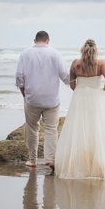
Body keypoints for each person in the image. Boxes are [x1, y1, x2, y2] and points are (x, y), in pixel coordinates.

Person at [55, 39, 105, 179]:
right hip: (96, 97)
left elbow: (71, 85)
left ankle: (78, 165)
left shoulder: (75, 64)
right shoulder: (101, 63)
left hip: (79, 97)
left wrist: (80, 91)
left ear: (82, 50)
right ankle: (98, 165)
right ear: (96, 50)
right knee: (98, 129)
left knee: (79, 128)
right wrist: (103, 91)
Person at [15, 31, 70, 169]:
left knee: (32, 128)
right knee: (51, 129)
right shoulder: (55, 53)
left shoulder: (25, 53)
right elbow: (65, 76)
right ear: (48, 41)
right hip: (51, 99)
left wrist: (25, 94)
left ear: (35, 41)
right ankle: (51, 159)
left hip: (32, 98)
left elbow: (19, 77)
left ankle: (32, 160)